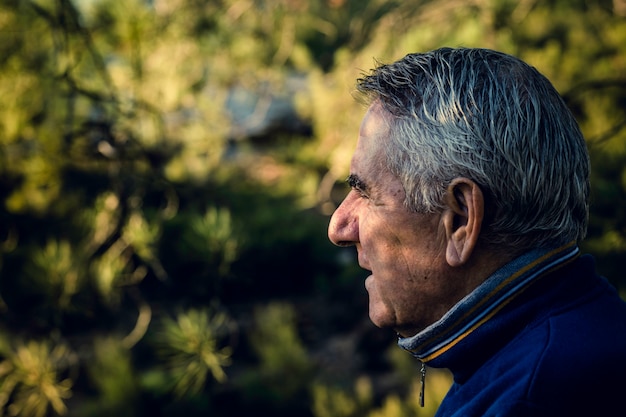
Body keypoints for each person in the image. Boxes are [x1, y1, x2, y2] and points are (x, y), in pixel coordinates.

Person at [327, 47, 626, 416]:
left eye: (365, 193)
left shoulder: (530, 400)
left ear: (461, 220)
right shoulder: (568, 336)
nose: (339, 227)